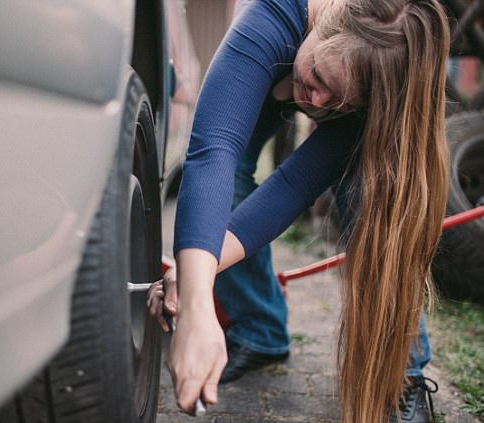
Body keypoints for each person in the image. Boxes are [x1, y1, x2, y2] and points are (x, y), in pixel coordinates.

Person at [149, 0, 450, 421]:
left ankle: (403, 373)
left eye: (342, 104)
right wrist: (197, 301)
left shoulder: (375, 82)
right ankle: (259, 329)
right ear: (324, 24)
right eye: (320, 77)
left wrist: (198, 268)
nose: (318, 103)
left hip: (350, 84)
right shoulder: (270, 19)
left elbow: (292, 187)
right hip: (272, 59)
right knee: (227, 178)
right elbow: (212, 152)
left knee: (374, 195)